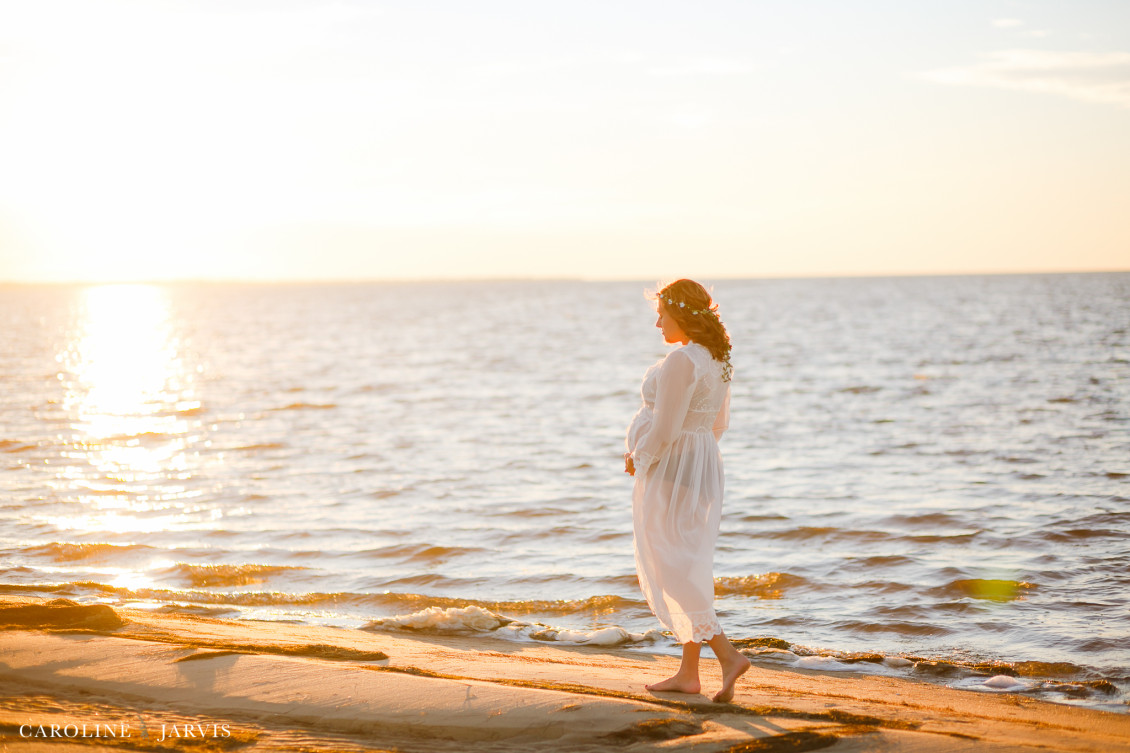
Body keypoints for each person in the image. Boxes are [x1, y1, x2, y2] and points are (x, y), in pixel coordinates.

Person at [624, 279, 750, 703]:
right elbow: (718, 424)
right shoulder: (717, 358)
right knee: (687, 559)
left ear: (683, 314)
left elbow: (665, 428)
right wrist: (697, 460)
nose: (658, 322)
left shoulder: (682, 360)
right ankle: (688, 673)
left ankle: (728, 656)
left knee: (670, 564)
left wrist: (639, 458)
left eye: (663, 314)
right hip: (701, 461)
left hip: (673, 462)